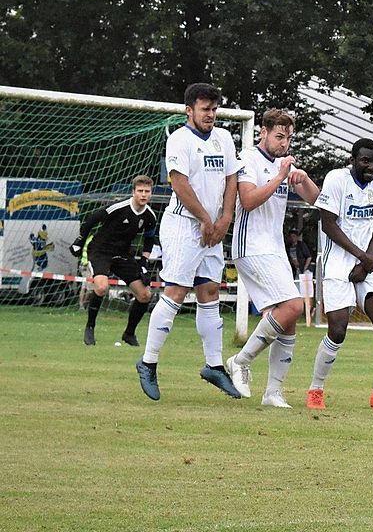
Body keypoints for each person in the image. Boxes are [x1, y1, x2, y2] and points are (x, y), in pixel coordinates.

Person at [135, 83, 242, 401]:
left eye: (214, 109)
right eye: (205, 109)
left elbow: (232, 179)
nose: (211, 114)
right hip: (184, 226)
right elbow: (179, 184)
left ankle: (214, 366)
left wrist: (225, 219)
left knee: (209, 291)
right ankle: (148, 362)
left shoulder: (224, 138)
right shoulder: (179, 140)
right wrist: (207, 220)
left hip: (213, 227)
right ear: (189, 110)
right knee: (177, 292)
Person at [223, 109, 320, 408]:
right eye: (279, 136)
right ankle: (240, 361)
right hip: (251, 247)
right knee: (293, 306)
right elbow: (248, 201)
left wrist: (302, 179)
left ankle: (273, 393)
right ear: (262, 132)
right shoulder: (247, 159)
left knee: (289, 320)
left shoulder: (283, 163)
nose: (284, 143)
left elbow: (316, 198)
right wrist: (280, 177)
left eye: (288, 138)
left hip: (274, 250)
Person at [307, 138, 373, 411]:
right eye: (365, 161)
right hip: (338, 262)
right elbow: (328, 225)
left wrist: (368, 261)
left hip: (367, 263)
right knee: (338, 329)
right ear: (353, 160)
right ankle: (316, 390)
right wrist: (361, 257)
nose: (371, 166)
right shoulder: (337, 179)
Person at [69, 175, 157, 347]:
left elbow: (149, 239)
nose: (143, 194)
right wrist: (79, 241)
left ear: (151, 193)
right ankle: (90, 328)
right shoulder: (119, 207)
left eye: (147, 191)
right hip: (100, 251)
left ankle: (129, 334)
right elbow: (93, 218)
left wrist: (144, 263)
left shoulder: (149, 216)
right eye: (140, 191)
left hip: (123, 255)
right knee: (102, 287)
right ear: (133, 192)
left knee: (145, 295)